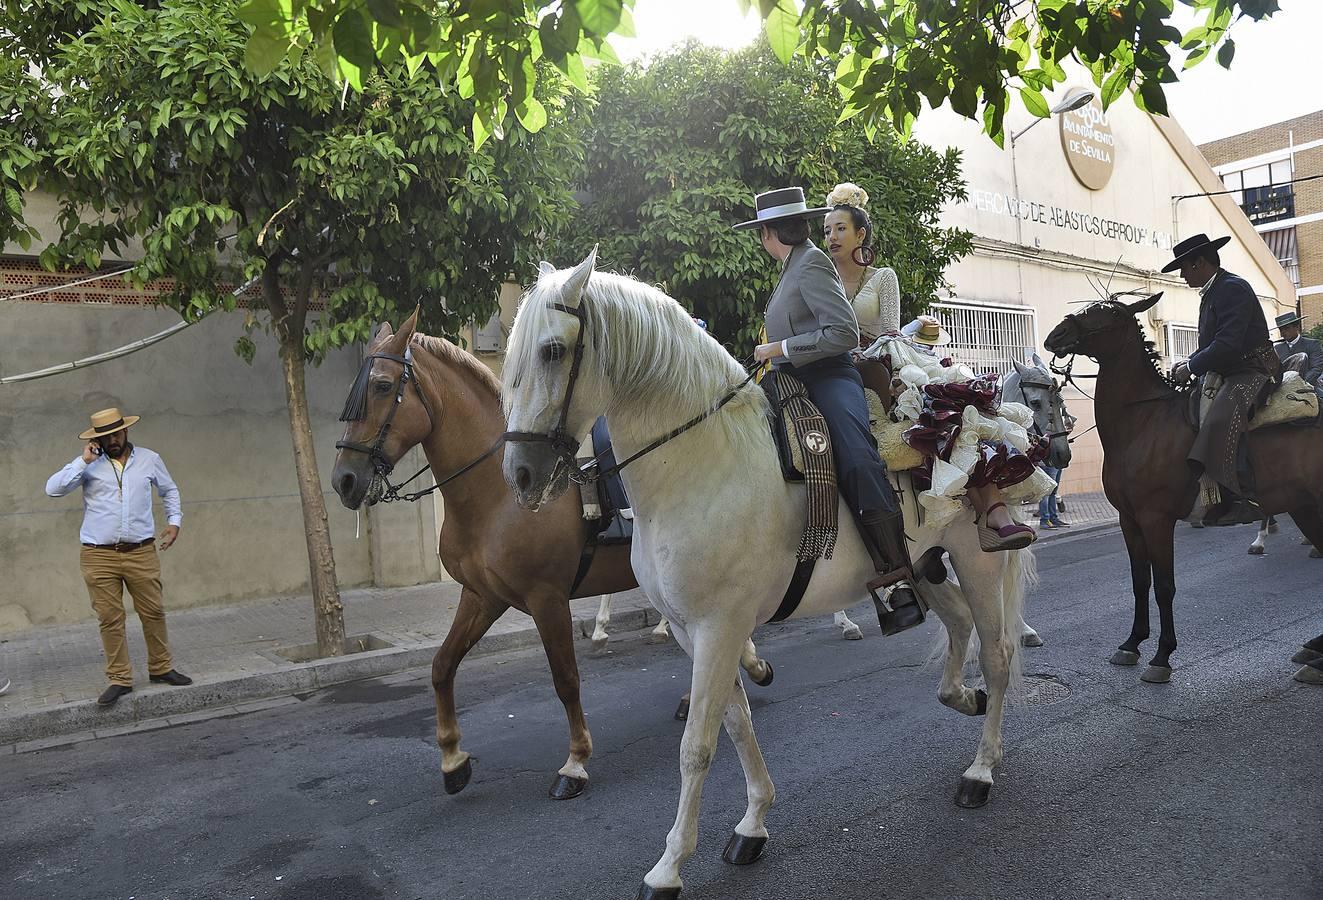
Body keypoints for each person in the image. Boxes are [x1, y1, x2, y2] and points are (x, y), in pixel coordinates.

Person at [735, 186, 924, 635]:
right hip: (788, 381)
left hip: (831, 377)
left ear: (767, 233)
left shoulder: (813, 263)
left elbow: (841, 333)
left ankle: (895, 579)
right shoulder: (790, 270)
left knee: (858, 459)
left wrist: (779, 346)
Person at [822, 183, 1040, 550]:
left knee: (947, 413)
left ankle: (994, 509)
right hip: (839, 368)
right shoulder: (821, 280)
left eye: (840, 228)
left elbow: (890, 329)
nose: (831, 236)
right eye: (827, 230)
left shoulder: (882, 277)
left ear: (860, 234)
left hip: (885, 361)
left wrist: (870, 358)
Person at [45, 408, 193, 707]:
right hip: (98, 555)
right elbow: (53, 489)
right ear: (96, 439)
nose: (112, 440)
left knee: (153, 612)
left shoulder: (150, 459)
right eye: (104, 436)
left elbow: (169, 489)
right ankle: (120, 679)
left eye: (116, 433)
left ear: (126, 431)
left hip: (141, 551)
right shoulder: (88, 464)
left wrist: (174, 521)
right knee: (110, 619)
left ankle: (161, 668)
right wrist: (82, 461)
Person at [1168, 233, 1281, 525]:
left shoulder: (1232, 288)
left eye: (1183, 267)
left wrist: (1192, 365)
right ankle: (1208, 494)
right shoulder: (1213, 291)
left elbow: (1228, 343)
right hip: (1230, 370)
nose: (1181, 274)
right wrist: (1189, 361)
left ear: (1199, 263)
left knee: (1220, 418)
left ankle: (1247, 498)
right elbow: (1212, 343)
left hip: (1254, 370)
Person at [1272, 311, 1323, 387]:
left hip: (1308, 386)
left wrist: (1300, 383)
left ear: (1297, 327)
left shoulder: (1312, 344)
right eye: (1281, 329)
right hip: (1282, 388)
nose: (1283, 333)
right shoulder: (1277, 348)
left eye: (1287, 328)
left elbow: (1316, 368)